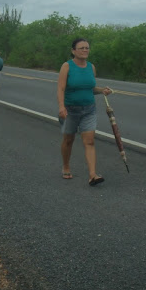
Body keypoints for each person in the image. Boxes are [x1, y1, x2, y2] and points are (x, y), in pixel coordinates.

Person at [57, 38, 112, 185]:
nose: (85, 50)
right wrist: (61, 106)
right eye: (81, 48)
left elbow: (90, 88)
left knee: (89, 141)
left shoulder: (91, 67)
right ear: (73, 50)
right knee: (68, 140)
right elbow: (61, 88)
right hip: (70, 110)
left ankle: (93, 175)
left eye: (87, 47)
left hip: (89, 110)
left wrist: (102, 90)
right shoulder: (67, 66)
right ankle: (66, 166)